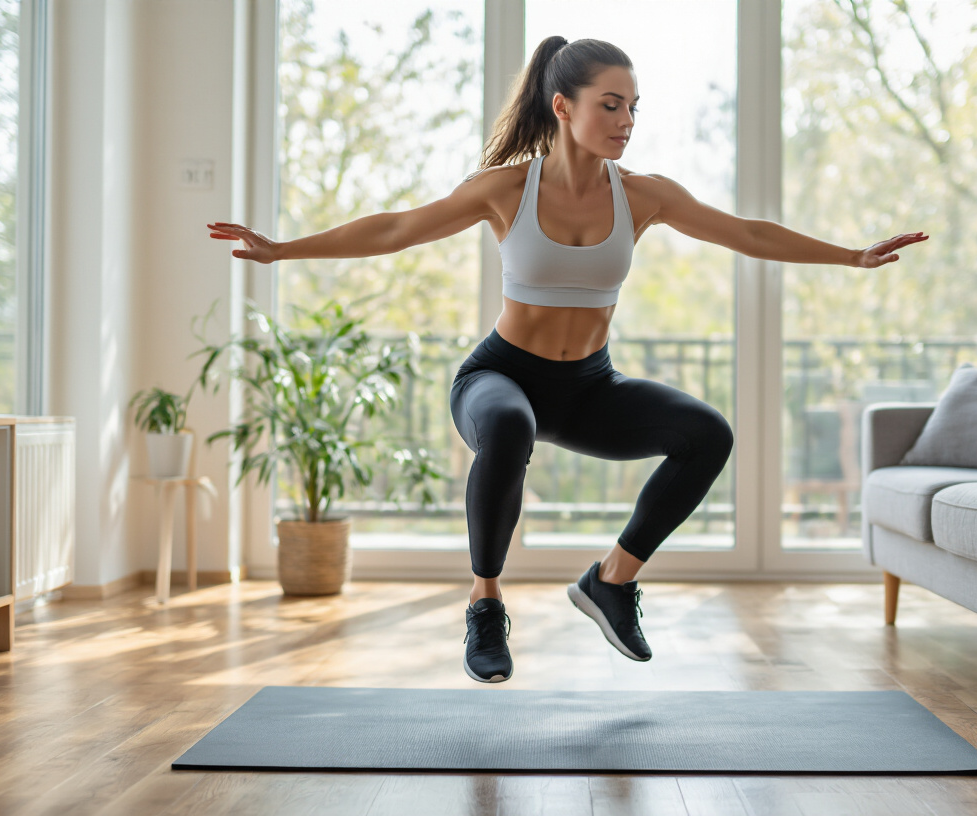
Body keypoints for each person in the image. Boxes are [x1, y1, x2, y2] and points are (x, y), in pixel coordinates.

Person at [207, 36, 928, 684]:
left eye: (634, 108)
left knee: (708, 434)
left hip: (589, 388)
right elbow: (396, 228)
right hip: (498, 377)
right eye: (610, 105)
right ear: (563, 105)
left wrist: (849, 256)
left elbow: (745, 232)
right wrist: (282, 248)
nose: (626, 121)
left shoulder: (643, 196)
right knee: (509, 429)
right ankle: (486, 604)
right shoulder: (506, 189)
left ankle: (612, 582)